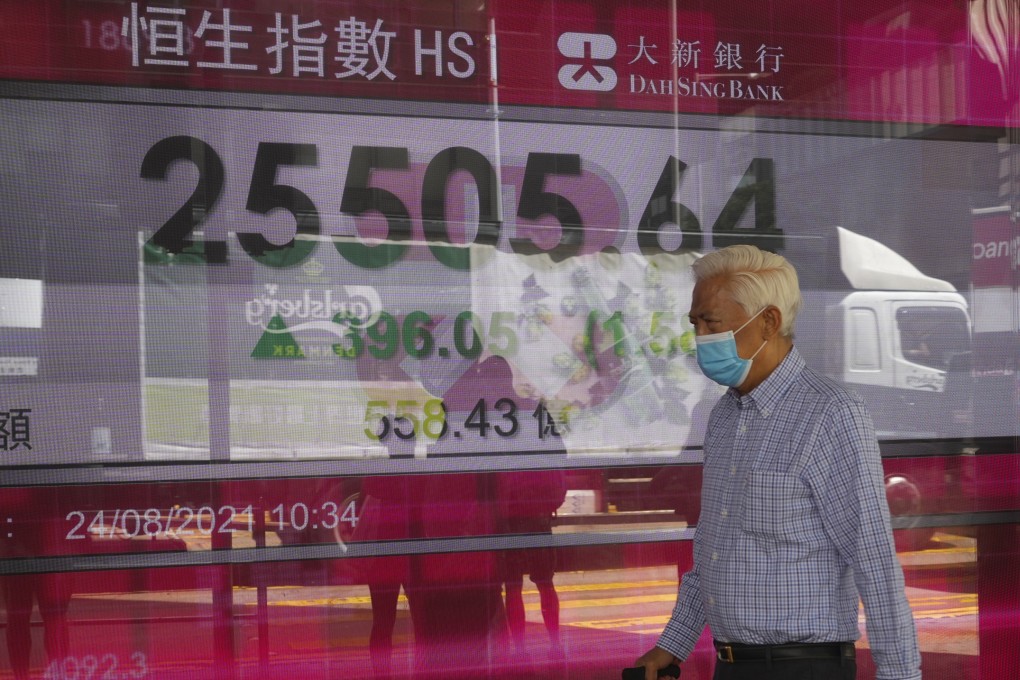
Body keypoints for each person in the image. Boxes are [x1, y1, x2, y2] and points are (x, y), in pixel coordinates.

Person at [635, 245, 921, 680]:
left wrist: (900, 674)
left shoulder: (831, 413)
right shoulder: (725, 416)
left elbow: (873, 559)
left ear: (767, 322)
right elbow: (714, 551)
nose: (699, 337)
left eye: (711, 323)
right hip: (730, 665)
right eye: (695, 324)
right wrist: (673, 644)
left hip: (802, 668)